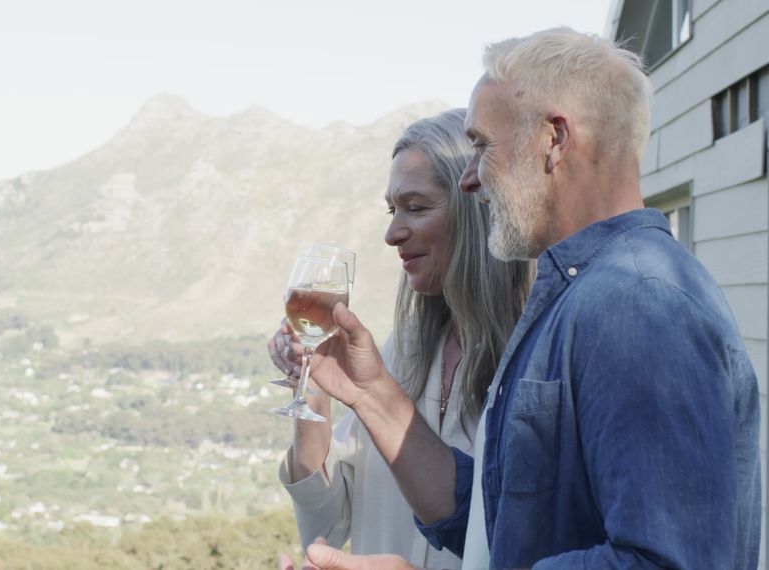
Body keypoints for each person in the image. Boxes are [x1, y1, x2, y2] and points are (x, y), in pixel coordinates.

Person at [280, 27, 761, 569]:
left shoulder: (640, 305)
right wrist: (369, 393)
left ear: (553, 139)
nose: (468, 180)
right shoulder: (577, 297)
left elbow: (666, 563)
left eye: (482, 145)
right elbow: (496, 527)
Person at [269, 109, 534, 567]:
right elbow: (325, 526)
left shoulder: (535, 361)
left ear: (475, 205)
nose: (392, 233)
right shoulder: (401, 349)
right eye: (393, 210)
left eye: (416, 207)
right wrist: (312, 390)